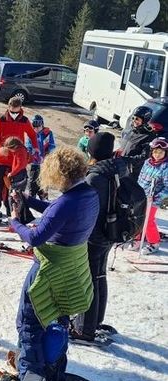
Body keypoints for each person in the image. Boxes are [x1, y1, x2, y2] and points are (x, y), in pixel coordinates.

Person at [10, 147, 99, 381]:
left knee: (30, 325)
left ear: (59, 175)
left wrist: (15, 222)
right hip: (71, 271)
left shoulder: (67, 202)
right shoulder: (89, 194)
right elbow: (56, 211)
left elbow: (36, 237)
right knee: (58, 323)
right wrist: (29, 200)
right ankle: (54, 371)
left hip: (49, 272)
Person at [72, 132, 128, 343]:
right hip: (110, 230)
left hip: (95, 233)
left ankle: (84, 329)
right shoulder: (117, 168)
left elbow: (84, 206)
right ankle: (95, 321)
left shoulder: (95, 176)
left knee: (88, 280)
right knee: (99, 276)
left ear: (92, 151)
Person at [0, 97, 38, 225]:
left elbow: (32, 135)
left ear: (20, 109)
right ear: (8, 108)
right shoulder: (1, 120)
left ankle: (14, 210)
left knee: (15, 187)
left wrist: (36, 148)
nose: (14, 115)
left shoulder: (25, 121)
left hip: (17, 160)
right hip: (2, 159)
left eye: (16, 112)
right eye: (12, 112)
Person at [134, 137, 168, 255]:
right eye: (155, 152)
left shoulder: (165, 167)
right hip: (141, 196)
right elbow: (140, 178)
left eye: (161, 152)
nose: (157, 155)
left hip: (153, 198)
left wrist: (156, 197)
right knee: (137, 217)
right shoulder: (147, 162)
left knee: (148, 220)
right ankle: (138, 238)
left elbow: (167, 187)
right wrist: (137, 191)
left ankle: (154, 243)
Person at [119, 106, 158, 180]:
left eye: (137, 119)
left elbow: (145, 156)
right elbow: (124, 146)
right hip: (120, 166)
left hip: (132, 171)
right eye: (133, 118)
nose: (134, 121)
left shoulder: (149, 136)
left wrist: (128, 160)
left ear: (144, 120)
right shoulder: (131, 131)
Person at [26, 115, 56, 199]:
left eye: (38, 126)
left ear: (42, 125)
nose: (36, 129)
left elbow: (52, 145)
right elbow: (28, 145)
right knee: (33, 179)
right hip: (35, 161)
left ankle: (43, 196)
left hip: (45, 161)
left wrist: (49, 153)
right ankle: (32, 196)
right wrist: (30, 152)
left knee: (44, 180)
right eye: (34, 127)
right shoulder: (31, 133)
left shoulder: (48, 133)